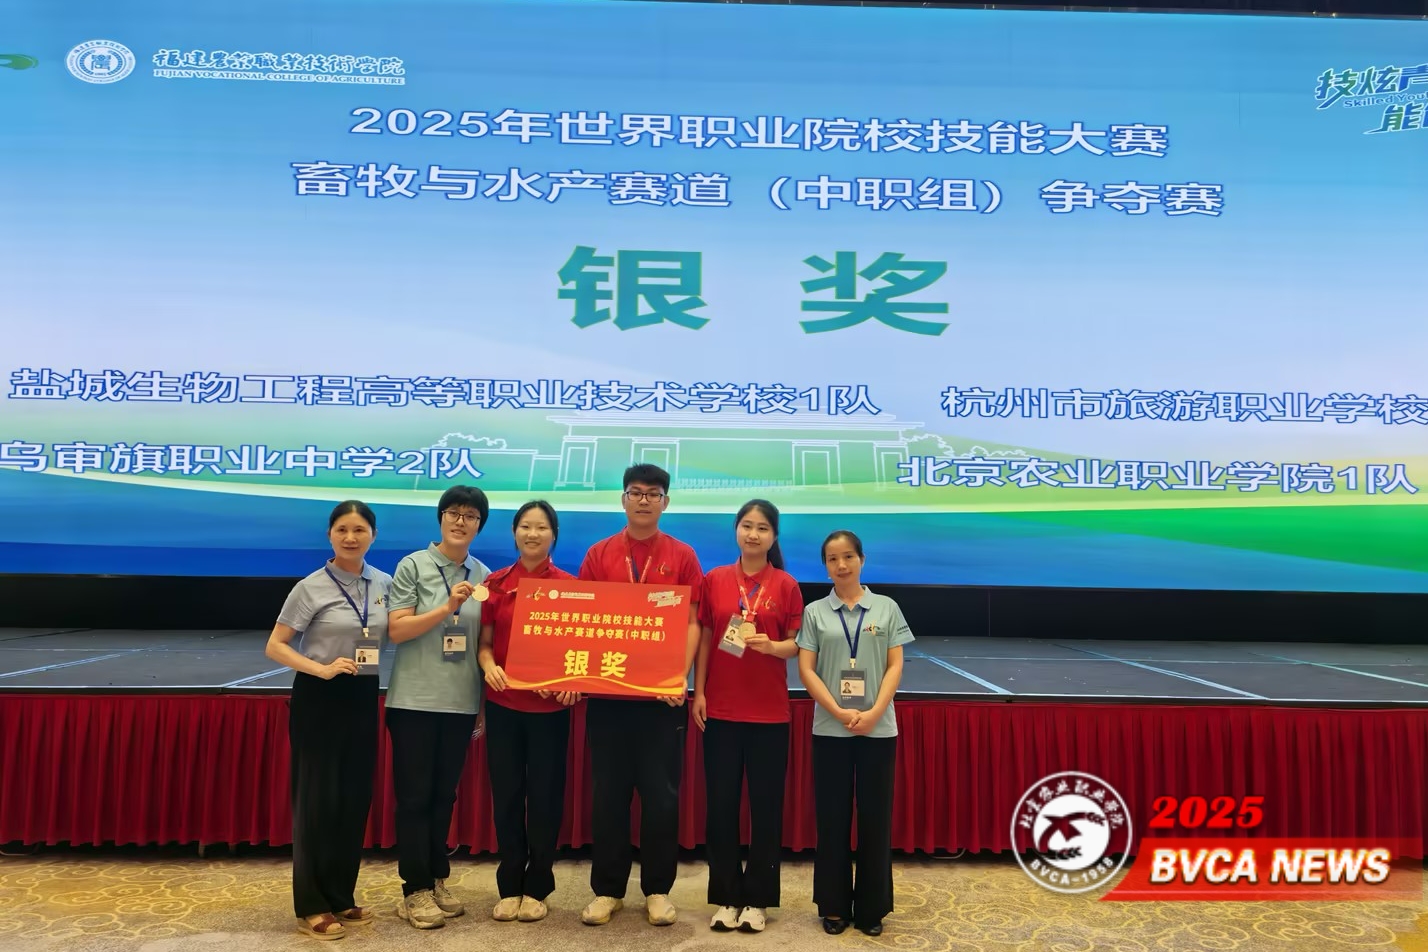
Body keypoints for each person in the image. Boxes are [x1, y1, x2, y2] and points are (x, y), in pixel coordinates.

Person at [578, 463, 703, 927]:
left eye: (653, 493)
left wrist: (678, 676)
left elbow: (693, 621)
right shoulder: (599, 554)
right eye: (636, 492)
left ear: (665, 502)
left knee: (661, 798)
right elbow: (585, 619)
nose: (644, 500)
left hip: (660, 701)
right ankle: (607, 890)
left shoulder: (682, 555)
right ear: (623, 499)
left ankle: (657, 890)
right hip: (609, 697)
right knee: (608, 797)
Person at [266, 500, 392, 941]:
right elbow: (276, 645)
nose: (350, 537)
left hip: (362, 694)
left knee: (352, 801)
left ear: (373, 535)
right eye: (342, 529)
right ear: (330, 535)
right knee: (317, 802)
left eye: (359, 530)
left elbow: (399, 629)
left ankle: (340, 895)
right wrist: (319, 669)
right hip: (320, 696)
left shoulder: (384, 583)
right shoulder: (311, 586)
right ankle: (311, 904)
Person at [692, 499, 803, 933]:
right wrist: (699, 692)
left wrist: (772, 647)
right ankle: (726, 896)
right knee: (720, 807)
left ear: (774, 537)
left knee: (765, 809)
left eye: (762, 528)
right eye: (746, 526)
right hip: (720, 709)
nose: (753, 534)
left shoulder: (786, 584)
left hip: (769, 714)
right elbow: (705, 637)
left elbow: (797, 643)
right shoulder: (715, 579)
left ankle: (758, 899)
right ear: (736, 530)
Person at [796, 530, 913, 938]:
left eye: (848, 556)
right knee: (832, 820)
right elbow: (806, 669)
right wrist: (838, 710)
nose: (841, 565)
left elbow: (895, 665)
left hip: (878, 730)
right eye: (832, 559)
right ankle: (833, 905)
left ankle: (871, 908)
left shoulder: (886, 608)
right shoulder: (815, 612)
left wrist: (875, 711)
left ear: (862, 559)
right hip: (830, 728)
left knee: (875, 820)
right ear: (825, 566)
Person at [385, 485, 491, 930]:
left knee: (444, 796)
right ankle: (414, 889)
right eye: (453, 513)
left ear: (480, 525)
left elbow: (483, 643)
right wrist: (447, 607)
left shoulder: (483, 574)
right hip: (414, 700)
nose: (460, 521)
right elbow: (397, 630)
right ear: (441, 518)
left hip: (460, 702)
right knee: (414, 797)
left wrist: (481, 704)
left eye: (470, 515)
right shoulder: (413, 565)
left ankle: (436, 878)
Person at [477, 500, 582, 924]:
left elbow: (581, 649)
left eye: (541, 527)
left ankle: (538, 885)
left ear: (553, 535)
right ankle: (509, 886)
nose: (532, 534)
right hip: (504, 705)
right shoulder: (496, 583)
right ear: (514, 532)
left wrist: (573, 682)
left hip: (549, 712)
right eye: (525, 526)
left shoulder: (571, 587)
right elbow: (485, 644)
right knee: (506, 796)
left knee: (545, 799)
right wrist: (489, 667)